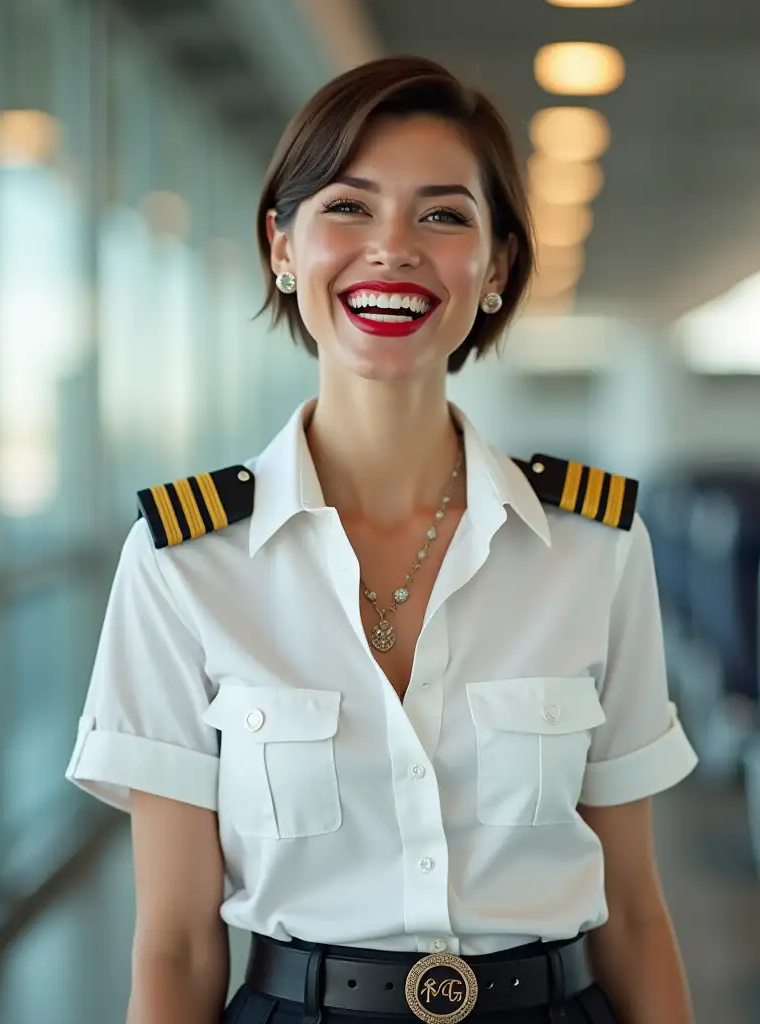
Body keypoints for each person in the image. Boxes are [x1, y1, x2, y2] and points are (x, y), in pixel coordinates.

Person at [66, 54, 698, 1024]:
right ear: (281, 246)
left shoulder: (594, 546)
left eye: (442, 215)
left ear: (495, 266)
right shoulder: (183, 560)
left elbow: (638, 916)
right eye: (348, 208)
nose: (392, 247)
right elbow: (177, 942)